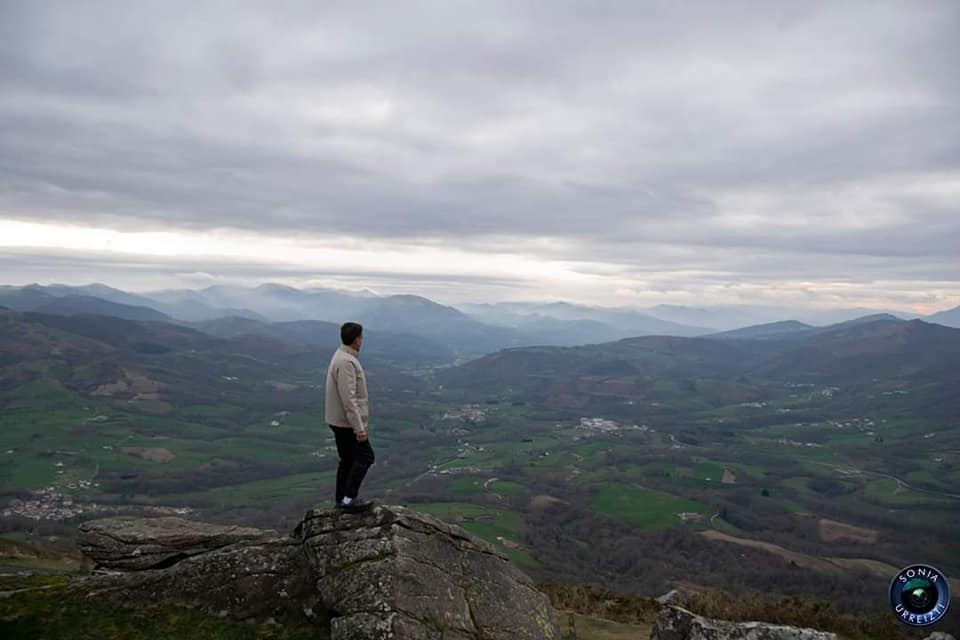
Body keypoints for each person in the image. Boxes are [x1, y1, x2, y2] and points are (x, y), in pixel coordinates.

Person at [325, 321, 375, 512]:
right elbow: (349, 399)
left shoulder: (340, 355)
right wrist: (359, 428)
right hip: (347, 423)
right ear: (356, 340)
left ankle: (341, 500)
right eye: (361, 337)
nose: (362, 340)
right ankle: (348, 500)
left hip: (337, 420)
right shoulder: (347, 361)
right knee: (366, 457)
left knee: (347, 460)